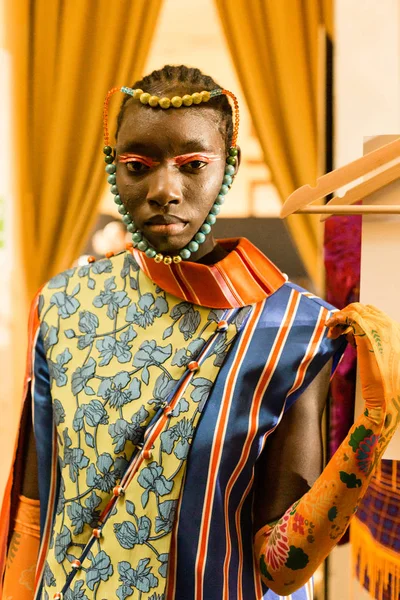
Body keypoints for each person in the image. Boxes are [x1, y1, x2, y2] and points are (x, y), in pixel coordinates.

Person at [1, 65, 399, 600]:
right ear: (111, 166)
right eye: (138, 165)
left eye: (192, 165)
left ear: (228, 165)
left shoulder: (296, 331)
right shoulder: (64, 304)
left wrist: (372, 428)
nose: (165, 189)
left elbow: (281, 570)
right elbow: (34, 515)